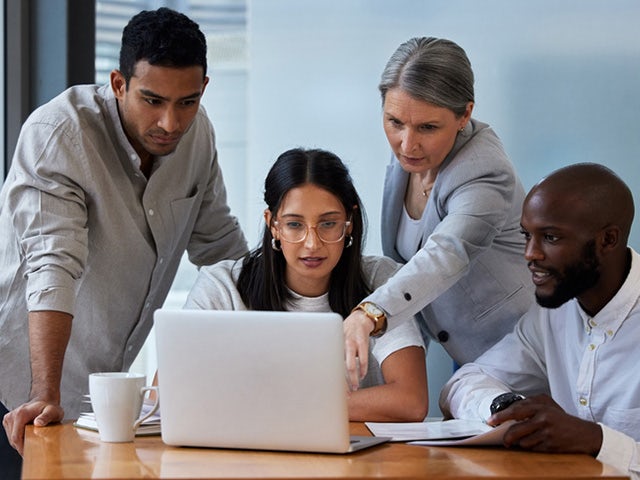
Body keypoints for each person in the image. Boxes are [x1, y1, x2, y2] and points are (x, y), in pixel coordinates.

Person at [0, 7, 248, 471]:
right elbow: (53, 266)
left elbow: (220, 248)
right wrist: (44, 393)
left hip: (92, 401)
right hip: (16, 392)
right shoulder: (59, 133)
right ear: (119, 84)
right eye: (152, 100)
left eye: (187, 102)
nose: (171, 123)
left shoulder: (197, 137)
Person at [183, 148, 428, 422]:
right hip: (246, 458)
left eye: (328, 223)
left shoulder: (382, 282)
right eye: (294, 224)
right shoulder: (222, 286)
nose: (312, 243)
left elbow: (411, 401)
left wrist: (284, 405)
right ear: (273, 224)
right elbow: (166, 393)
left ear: (348, 224)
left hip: (353, 458)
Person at [343, 37, 533, 389]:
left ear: (464, 115)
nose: (407, 143)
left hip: (522, 355)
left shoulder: (485, 171)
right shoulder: (412, 156)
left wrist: (368, 313)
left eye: (427, 127)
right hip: (463, 355)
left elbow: (446, 255)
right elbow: (405, 268)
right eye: (394, 121)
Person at [439, 163, 639, 478]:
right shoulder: (553, 312)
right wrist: (508, 407)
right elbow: (461, 384)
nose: (530, 253)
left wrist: (596, 440)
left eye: (550, 237)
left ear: (608, 240)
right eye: (526, 236)